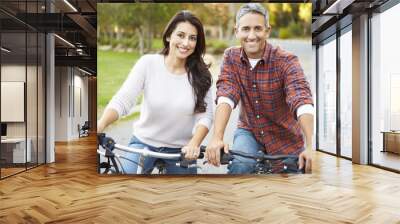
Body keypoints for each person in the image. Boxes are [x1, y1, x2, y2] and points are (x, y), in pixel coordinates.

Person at [97, 10, 213, 174]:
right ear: (168, 36)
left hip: (182, 150)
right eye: (180, 35)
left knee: (187, 194)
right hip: (144, 143)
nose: (186, 43)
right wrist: (100, 124)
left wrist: (194, 143)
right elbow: (123, 99)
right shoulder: (148, 63)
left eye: (192, 38)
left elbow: (205, 116)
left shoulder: (202, 76)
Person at [205, 3, 314, 174]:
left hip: (286, 137)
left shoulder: (287, 60)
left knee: (293, 181)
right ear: (237, 31)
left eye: (258, 28)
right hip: (249, 131)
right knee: (241, 165)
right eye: (246, 29)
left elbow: (301, 99)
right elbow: (226, 94)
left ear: (267, 31)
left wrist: (310, 146)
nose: (251, 35)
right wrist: (217, 138)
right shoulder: (231, 57)